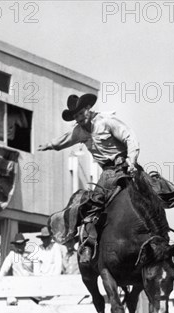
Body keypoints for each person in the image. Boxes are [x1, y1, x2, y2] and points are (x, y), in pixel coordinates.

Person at [37, 93, 140, 263]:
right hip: (108, 173)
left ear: (87, 109)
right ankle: (89, 243)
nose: (78, 118)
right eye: (75, 116)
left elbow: (129, 136)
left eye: (80, 113)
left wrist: (132, 160)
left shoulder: (106, 121)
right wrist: (49, 145)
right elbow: (64, 140)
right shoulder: (79, 131)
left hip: (126, 165)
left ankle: (159, 236)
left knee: (153, 191)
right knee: (93, 204)